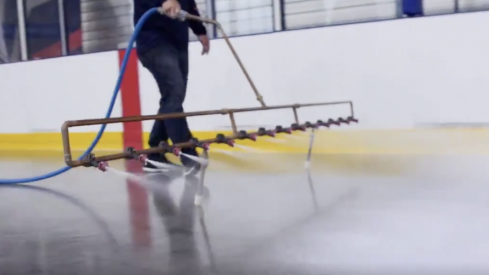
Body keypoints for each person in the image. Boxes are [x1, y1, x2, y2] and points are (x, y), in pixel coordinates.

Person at [133, 0, 210, 174]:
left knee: (174, 96)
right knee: (174, 90)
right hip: (153, 41)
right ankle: (187, 151)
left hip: (178, 43)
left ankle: (154, 154)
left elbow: (189, 6)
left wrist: (201, 32)